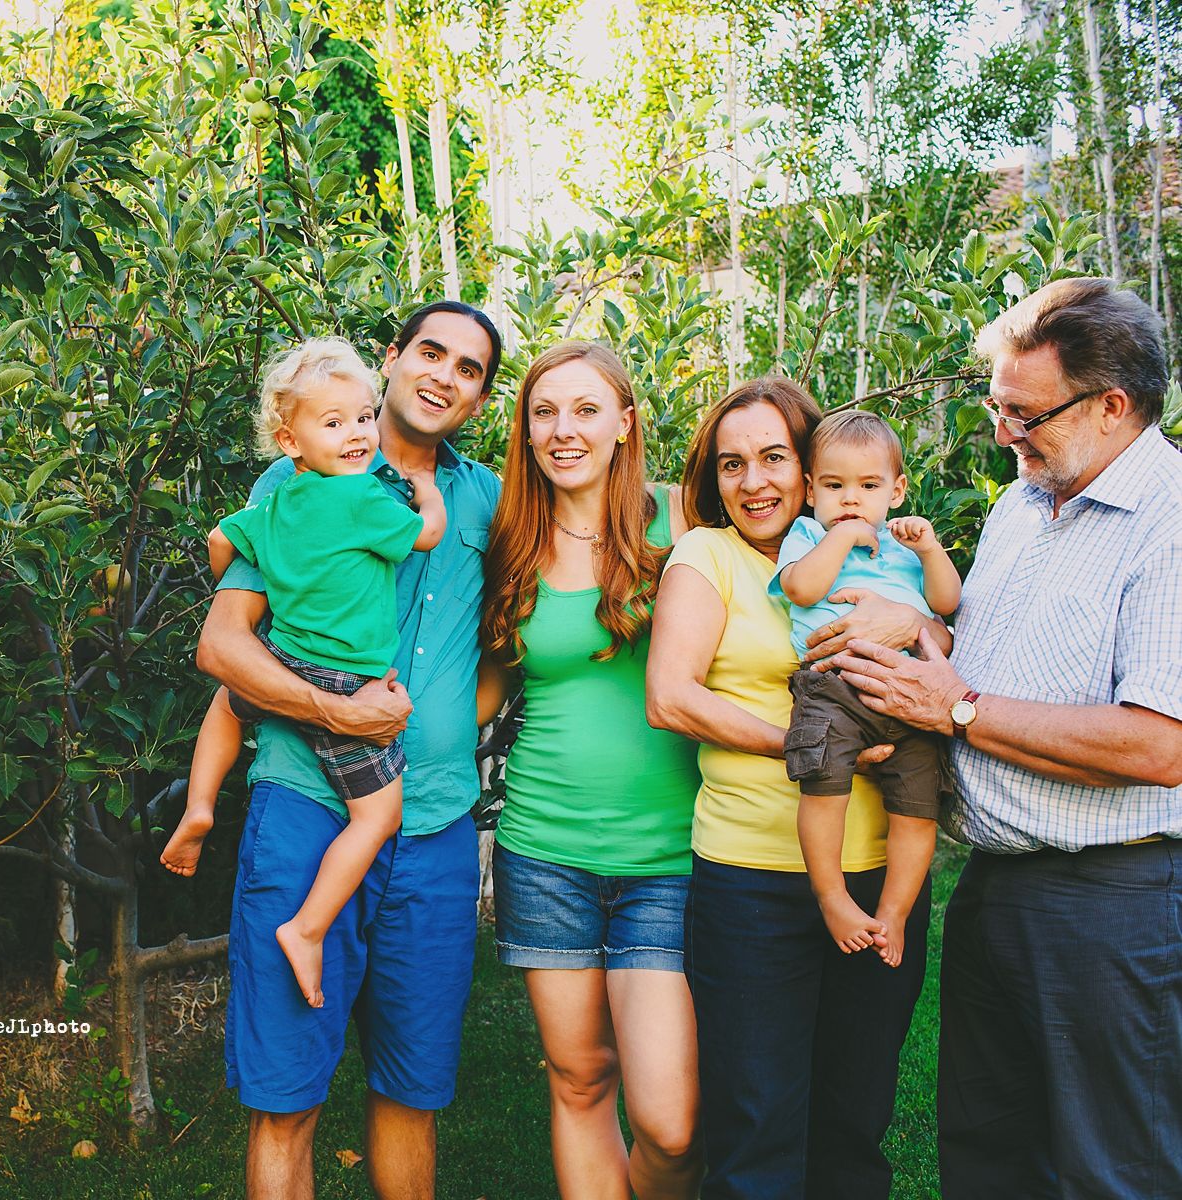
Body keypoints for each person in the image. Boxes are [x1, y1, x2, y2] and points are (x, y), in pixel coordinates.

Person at [823, 278, 1182, 1199]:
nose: (1001, 433)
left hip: (1113, 897)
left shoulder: (1170, 525)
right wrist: (922, 632)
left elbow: (1159, 743)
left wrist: (962, 710)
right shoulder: (1028, 501)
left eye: (1024, 412)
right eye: (996, 405)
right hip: (994, 886)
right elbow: (980, 653)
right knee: (986, 1155)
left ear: (1112, 406)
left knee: (1110, 1165)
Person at [196, 301, 503, 1200]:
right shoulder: (289, 490)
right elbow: (224, 648)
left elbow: (515, 640)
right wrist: (339, 717)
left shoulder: (486, 499)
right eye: (431, 352)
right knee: (286, 1099)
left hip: (436, 822)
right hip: (307, 805)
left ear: (481, 397)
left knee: (411, 1093)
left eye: (471, 368)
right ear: (392, 360)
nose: (446, 375)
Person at [646, 377, 953, 1199]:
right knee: (755, 1125)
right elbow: (672, 696)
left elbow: (942, 623)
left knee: (855, 1120)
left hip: (882, 868)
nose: (754, 482)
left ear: (812, 465)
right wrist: (821, 747)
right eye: (731, 464)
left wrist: (916, 623)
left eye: (774, 457)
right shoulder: (706, 555)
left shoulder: (879, 546)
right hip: (751, 879)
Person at [475, 340, 702, 1199]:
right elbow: (485, 695)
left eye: (584, 409)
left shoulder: (684, 521)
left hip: (671, 856)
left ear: (625, 423)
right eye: (543, 411)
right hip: (547, 851)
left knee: (670, 1125)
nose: (561, 429)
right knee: (577, 1083)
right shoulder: (513, 543)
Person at [160, 337, 446, 1009]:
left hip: (286, 659)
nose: (357, 434)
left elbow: (221, 542)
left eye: (363, 417)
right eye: (335, 422)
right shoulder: (365, 499)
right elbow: (426, 536)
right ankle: (308, 928)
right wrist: (427, 495)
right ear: (291, 438)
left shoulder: (281, 501)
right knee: (376, 818)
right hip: (347, 680)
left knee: (232, 702)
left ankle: (199, 804)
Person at [769, 410, 960, 967]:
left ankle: (895, 912)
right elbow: (802, 589)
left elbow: (946, 605)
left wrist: (929, 550)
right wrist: (846, 535)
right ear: (810, 491)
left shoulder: (906, 550)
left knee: (917, 809)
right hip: (832, 687)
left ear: (897, 490)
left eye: (868, 486)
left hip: (909, 692)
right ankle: (832, 897)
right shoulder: (806, 537)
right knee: (824, 787)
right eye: (834, 486)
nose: (850, 499)